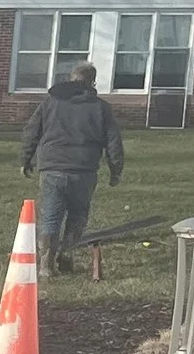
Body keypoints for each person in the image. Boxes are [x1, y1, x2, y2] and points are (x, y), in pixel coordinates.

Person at [18, 58, 123, 272]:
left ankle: (46, 263)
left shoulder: (50, 102)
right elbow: (113, 141)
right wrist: (115, 170)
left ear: (71, 79)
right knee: (78, 214)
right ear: (92, 83)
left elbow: (32, 130)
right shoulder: (101, 108)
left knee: (50, 214)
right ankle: (67, 250)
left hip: (52, 167)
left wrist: (25, 159)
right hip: (84, 170)